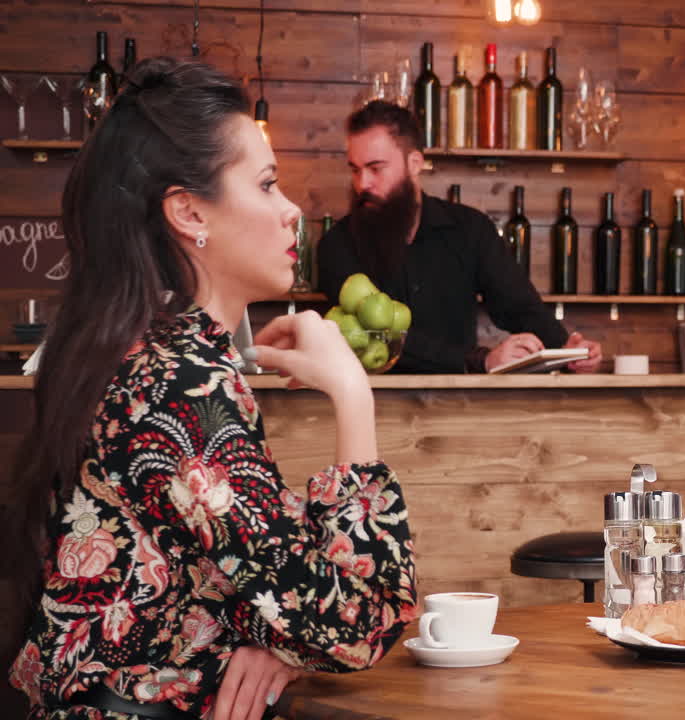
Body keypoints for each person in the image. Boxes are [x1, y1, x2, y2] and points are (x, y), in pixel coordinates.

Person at [2, 58, 417, 720]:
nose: (292, 213)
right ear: (189, 211)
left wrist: (277, 641)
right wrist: (351, 392)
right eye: (268, 185)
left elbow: (261, 572)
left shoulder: (140, 354)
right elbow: (356, 623)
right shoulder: (182, 386)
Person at [317, 100, 603, 374]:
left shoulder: (470, 229)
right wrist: (479, 359)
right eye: (355, 170)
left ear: (414, 163)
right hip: (367, 404)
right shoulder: (337, 244)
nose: (362, 183)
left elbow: (518, 305)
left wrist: (568, 351)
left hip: (459, 406)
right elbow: (376, 336)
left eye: (376, 168)